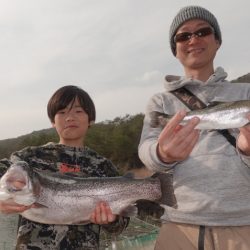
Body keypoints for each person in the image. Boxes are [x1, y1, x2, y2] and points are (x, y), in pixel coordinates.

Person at [138, 5, 250, 250]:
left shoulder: (246, 92)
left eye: (203, 31)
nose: (194, 39)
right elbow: (146, 151)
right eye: (183, 36)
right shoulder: (161, 102)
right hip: (179, 227)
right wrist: (162, 154)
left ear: (217, 40)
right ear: (175, 49)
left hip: (244, 223)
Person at [0, 85, 129, 250]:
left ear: (91, 119)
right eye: (62, 112)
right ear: (53, 121)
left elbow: (120, 226)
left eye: (78, 111)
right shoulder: (28, 159)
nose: (70, 117)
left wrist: (112, 220)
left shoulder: (104, 167)